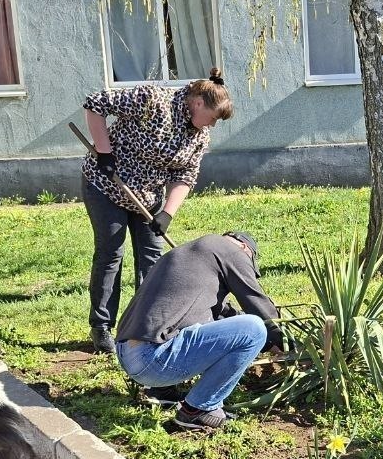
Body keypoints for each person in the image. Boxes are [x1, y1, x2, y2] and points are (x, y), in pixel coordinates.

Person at [81, 69, 233, 354]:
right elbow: (95, 103)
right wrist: (104, 152)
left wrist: (167, 213)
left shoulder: (199, 136)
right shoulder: (152, 99)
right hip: (107, 185)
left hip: (147, 197)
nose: (211, 125)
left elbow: (186, 176)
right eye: (212, 118)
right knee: (111, 253)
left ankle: (146, 325)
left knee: (152, 259)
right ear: (198, 103)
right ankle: (101, 327)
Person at [115, 232, 282, 430]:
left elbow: (221, 314)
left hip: (127, 353)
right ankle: (198, 410)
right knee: (254, 329)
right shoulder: (231, 251)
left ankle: (162, 392)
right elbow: (257, 304)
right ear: (245, 249)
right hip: (154, 358)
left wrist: (269, 344)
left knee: (189, 325)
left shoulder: (186, 254)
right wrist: (286, 342)